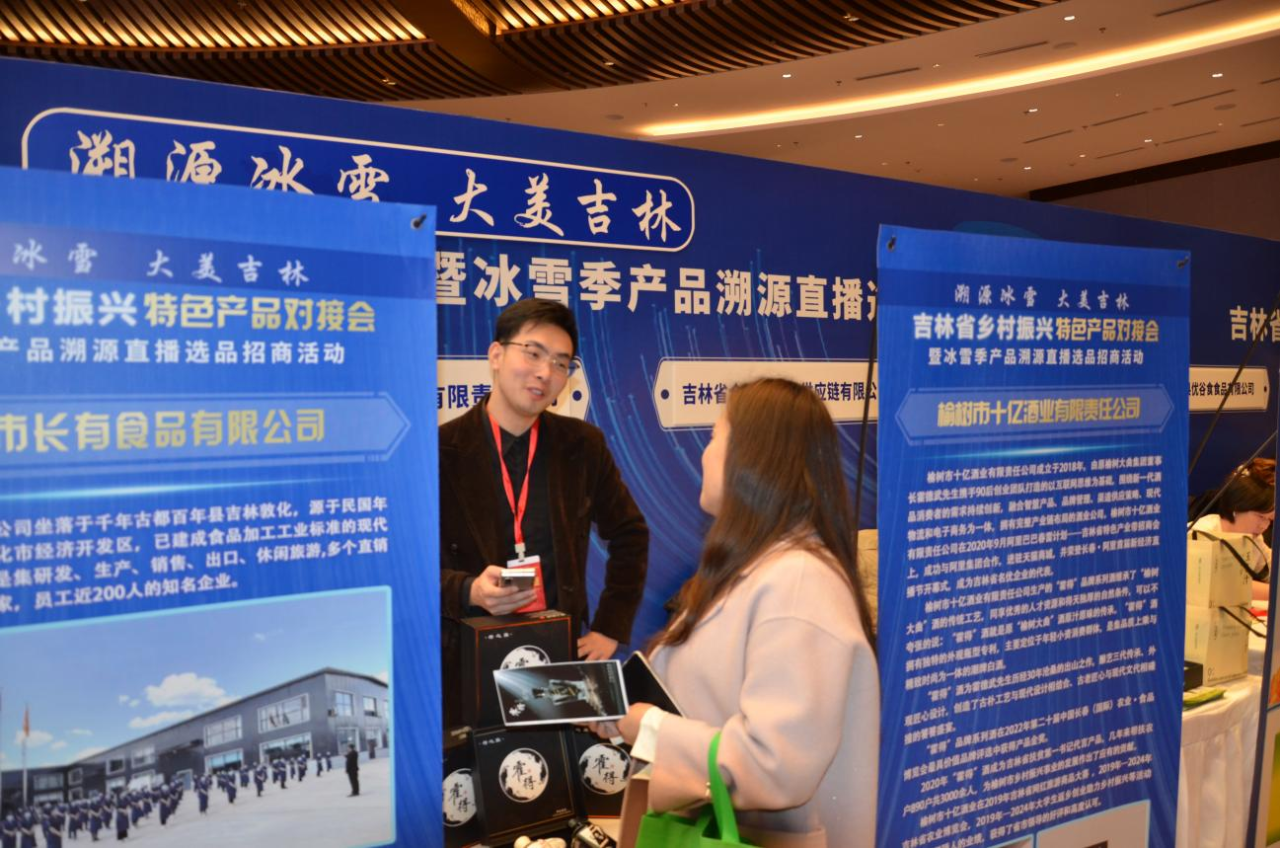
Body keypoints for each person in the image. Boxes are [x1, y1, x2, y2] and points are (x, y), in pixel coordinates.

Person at [601, 378, 879, 848]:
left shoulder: (798, 584)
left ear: (754, 458)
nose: (705, 454)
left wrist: (652, 728)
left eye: (715, 436)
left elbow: (774, 764)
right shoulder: (758, 567)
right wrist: (629, 721)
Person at [439, 298, 650, 728]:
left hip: (559, 657)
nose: (545, 373)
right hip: (469, 661)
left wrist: (610, 627)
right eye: (533, 353)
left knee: (556, 767)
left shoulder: (583, 445)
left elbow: (630, 534)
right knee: (484, 765)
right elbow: (406, 567)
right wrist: (468, 590)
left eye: (560, 363)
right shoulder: (439, 451)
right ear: (496, 355)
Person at [1191, 457, 1275, 601]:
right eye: (1260, 517)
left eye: (1269, 520)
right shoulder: (1202, 532)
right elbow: (1223, 586)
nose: (1264, 526)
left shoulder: (1254, 539)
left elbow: (1273, 569)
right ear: (1237, 507)